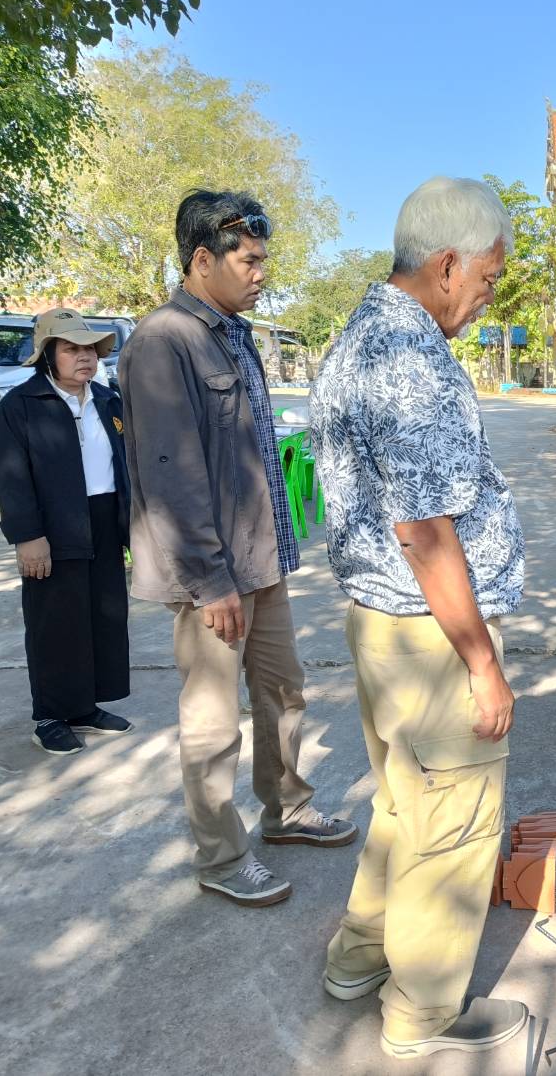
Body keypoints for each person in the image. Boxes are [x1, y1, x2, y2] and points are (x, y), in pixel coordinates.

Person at [308, 176, 529, 1062]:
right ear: (446, 265)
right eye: (484, 280)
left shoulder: (355, 338)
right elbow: (427, 533)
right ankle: (423, 1014)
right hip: (432, 632)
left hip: (379, 623)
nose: (485, 299)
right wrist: (481, 661)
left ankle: (358, 959)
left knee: (404, 806)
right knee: (453, 830)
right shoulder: (410, 361)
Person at [119, 189, 355, 909]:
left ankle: (286, 811)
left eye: (262, 261)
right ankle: (222, 854)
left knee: (283, 692)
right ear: (201, 260)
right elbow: (171, 477)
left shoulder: (234, 334)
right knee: (214, 721)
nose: (261, 274)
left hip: (261, 562)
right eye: (249, 261)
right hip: (212, 578)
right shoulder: (164, 341)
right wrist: (210, 582)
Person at [0, 308, 133, 755]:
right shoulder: (20, 407)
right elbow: (10, 477)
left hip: (105, 520)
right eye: (72, 348)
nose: (85, 357)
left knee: (102, 616)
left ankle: (83, 707)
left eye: (89, 349)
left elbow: (125, 468)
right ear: (47, 355)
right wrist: (27, 536)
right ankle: (51, 714)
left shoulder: (108, 401)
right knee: (55, 622)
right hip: (52, 526)